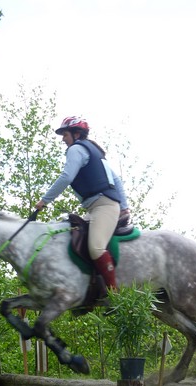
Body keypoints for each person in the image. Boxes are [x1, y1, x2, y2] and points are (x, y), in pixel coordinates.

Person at [34, 116, 129, 291]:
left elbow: (66, 177)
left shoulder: (76, 149)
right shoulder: (95, 152)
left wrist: (44, 201)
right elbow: (116, 180)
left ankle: (115, 297)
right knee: (70, 239)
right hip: (95, 208)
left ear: (76, 134)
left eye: (65, 134)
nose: (63, 139)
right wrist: (124, 206)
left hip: (103, 206)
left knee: (95, 248)